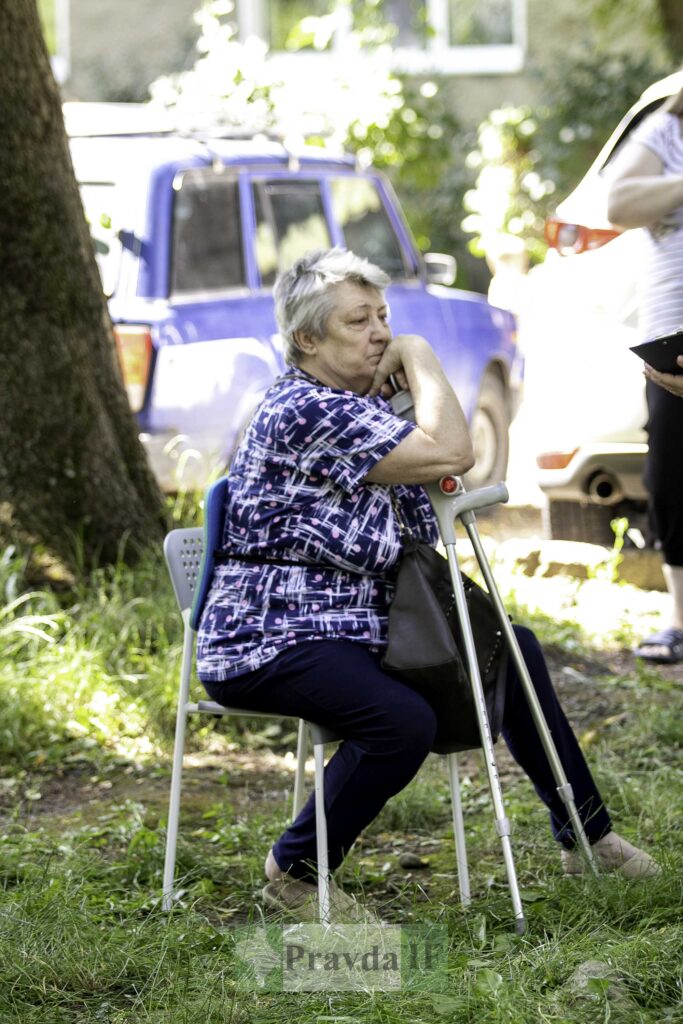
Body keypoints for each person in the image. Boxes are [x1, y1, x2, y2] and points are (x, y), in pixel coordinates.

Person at [196, 247, 658, 921]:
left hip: (354, 629)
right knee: (400, 722)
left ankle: (588, 836)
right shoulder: (303, 409)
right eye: (358, 321)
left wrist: (407, 395)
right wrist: (417, 352)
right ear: (307, 339)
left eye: (384, 317)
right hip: (269, 635)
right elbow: (452, 452)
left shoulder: (355, 409)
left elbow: (440, 482)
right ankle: (292, 870)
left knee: (514, 652)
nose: (379, 331)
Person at [607, 86, 683, 663]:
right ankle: (680, 621)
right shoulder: (667, 129)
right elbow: (620, 203)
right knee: (675, 476)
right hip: (675, 338)